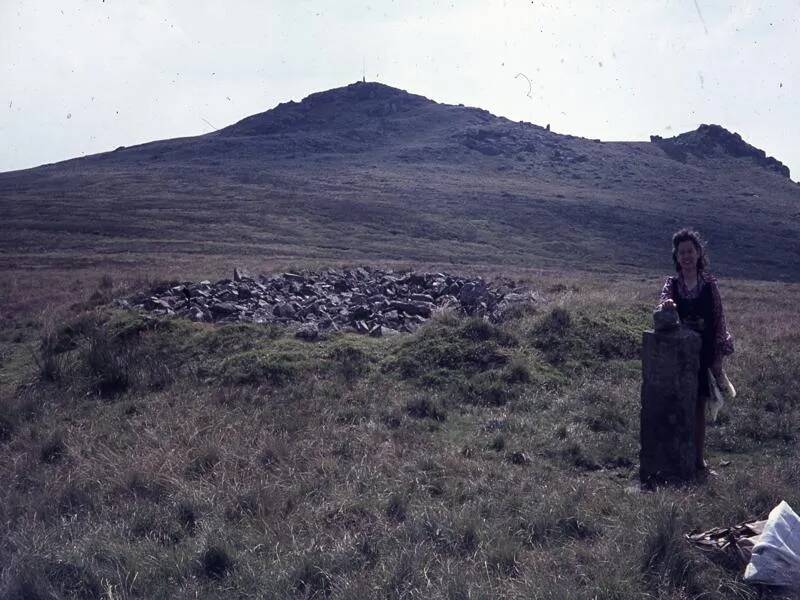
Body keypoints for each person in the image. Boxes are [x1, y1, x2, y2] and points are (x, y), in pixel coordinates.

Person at [658, 228, 734, 473]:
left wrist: (719, 357)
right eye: (682, 252)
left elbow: (720, 320)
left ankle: (698, 460)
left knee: (699, 406)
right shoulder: (671, 285)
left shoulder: (710, 285)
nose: (687, 256)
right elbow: (661, 309)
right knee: (677, 404)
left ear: (699, 253)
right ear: (676, 257)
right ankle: (674, 455)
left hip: (703, 355)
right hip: (679, 357)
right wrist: (666, 306)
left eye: (690, 251)